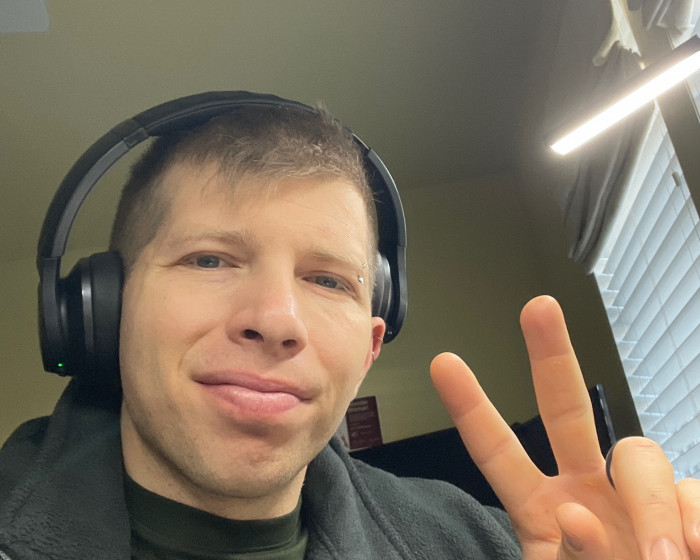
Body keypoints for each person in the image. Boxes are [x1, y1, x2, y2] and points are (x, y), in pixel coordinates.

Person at [0, 94, 698, 560]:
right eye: (210, 259)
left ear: (368, 348)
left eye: (328, 280)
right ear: (100, 312)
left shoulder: (493, 547)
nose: (278, 321)